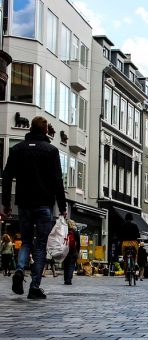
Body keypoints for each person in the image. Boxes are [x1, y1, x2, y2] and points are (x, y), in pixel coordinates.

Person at [2, 116, 67, 299]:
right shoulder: (51, 151)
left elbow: (7, 177)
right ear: (45, 130)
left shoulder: (17, 149)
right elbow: (57, 180)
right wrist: (62, 206)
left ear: (30, 128)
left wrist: (6, 203)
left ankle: (19, 269)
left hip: (24, 203)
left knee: (26, 241)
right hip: (44, 204)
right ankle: (34, 286)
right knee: (40, 245)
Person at [118, 213, 140, 281]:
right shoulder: (135, 226)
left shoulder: (123, 226)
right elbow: (138, 235)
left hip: (125, 243)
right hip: (133, 243)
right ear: (131, 219)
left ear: (125, 219)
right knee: (135, 254)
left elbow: (120, 235)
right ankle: (135, 263)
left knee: (125, 257)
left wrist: (120, 240)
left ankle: (126, 267)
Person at [62, 219, 80, 285]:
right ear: (73, 225)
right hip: (73, 251)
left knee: (66, 265)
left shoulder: (64, 232)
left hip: (65, 251)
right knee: (71, 265)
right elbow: (78, 244)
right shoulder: (75, 232)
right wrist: (77, 252)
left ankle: (65, 279)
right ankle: (68, 280)